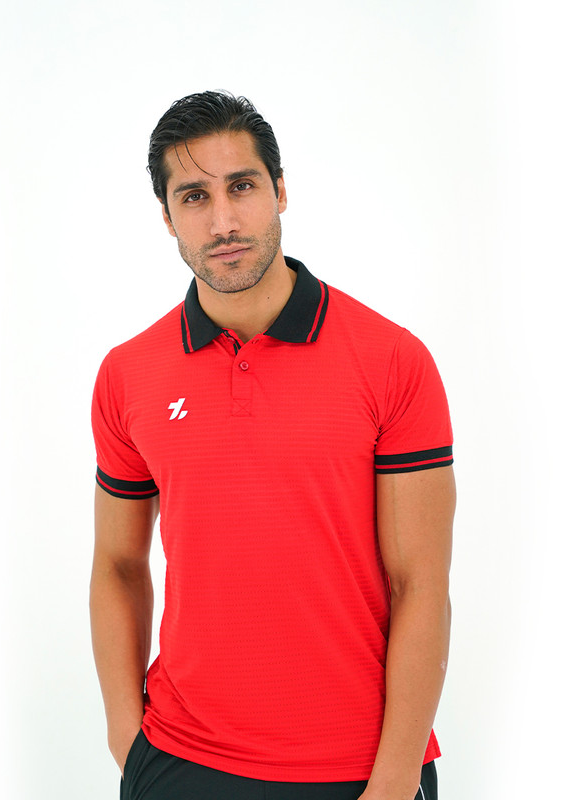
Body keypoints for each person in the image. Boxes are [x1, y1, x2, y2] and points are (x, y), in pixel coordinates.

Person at [90, 91, 455, 800]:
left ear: (281, 191)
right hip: (179, 759)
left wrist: (393, 779)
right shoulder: (128, 374)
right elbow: (118, 564)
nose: (223, 221)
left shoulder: (391, 360)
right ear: (166, 217)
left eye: (243, 186)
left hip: (357, 769)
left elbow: (422, 585)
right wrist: (126, 738)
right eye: (194, 197)